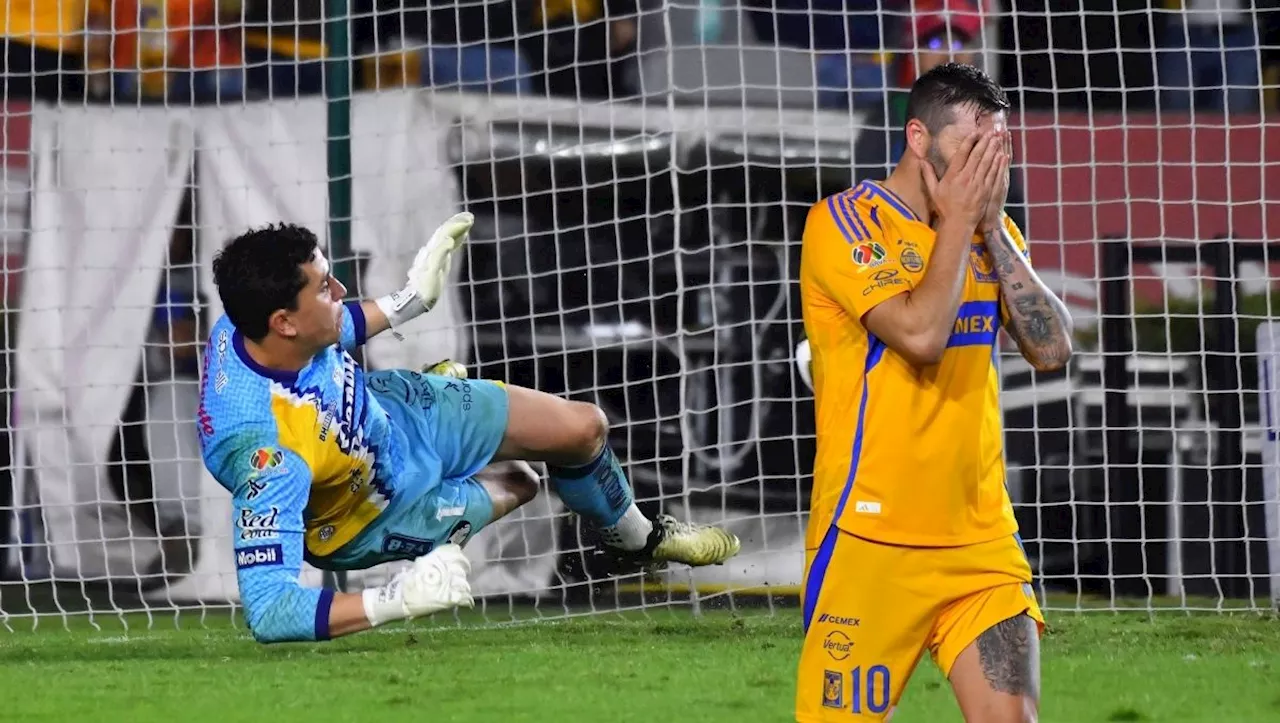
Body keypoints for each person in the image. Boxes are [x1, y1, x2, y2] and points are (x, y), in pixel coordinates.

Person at [199, 213, 740, 644]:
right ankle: (456, 484)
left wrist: (411, 298)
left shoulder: (253, 318)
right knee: (523, 481)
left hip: (398, 414)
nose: (340, 288)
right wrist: (394, 601)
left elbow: (335, 325)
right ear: (284, 323)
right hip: (372, 514)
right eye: (324, 287)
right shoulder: (265, 453)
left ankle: (642, 541)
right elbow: (270, 611)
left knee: (583, 429)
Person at [795, 63, 1073, 722]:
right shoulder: (843, 226)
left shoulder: (989, 233)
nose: (990, 164)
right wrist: (960, 222)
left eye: (999, 147)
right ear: (919, 139)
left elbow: (1054, 349)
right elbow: (920, 334)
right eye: (976, 147)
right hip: (870, 541)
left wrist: (994, 227)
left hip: (980, 542)